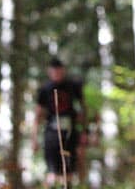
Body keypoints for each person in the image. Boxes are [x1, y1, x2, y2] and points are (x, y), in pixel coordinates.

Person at [33, 57, 88, 187]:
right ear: (49, 72)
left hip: (70, 132)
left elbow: (83, 109)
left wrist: (84, 132)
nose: (57, 73)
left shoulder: (73, 86)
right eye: (54, 71)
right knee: (52, 170)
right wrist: (34, 138)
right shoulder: (45, 89)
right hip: (52, 133)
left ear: (63, 70)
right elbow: (38, 114)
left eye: (59, 70)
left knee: (70, 168)